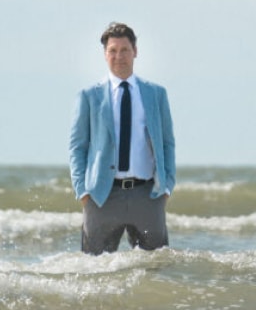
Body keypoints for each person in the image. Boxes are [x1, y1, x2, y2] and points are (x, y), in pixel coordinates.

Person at [69, 22, 176, 255]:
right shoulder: (89, 96)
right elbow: (78, 147)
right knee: (94, 271)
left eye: (125, 50)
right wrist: (82, 191)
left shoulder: (156, 94)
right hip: (102, 196)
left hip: (147, 194)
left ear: (135, 51)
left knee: (155, 270)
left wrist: (167, 184)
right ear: (105, 54)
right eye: (113, 51)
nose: (119, 56)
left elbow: (167, 142)